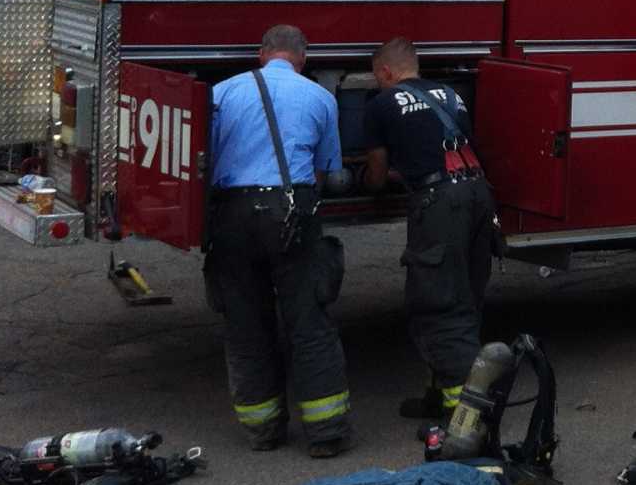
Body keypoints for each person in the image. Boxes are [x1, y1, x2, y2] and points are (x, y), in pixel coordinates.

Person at [204, 24, 353, 457]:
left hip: (231, 215)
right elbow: (326, 172)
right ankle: (326, 435)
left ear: (261, 53)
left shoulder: (222, 93)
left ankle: (263, 431)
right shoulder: (321, 98)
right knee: (310, 322)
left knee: (245, 325)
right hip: (292, 211)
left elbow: (203, 160)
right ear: (302, 58)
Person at [362, 37, 495, 420]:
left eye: (377, 77)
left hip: (439, 204)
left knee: (439, 305)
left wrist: (371, 182)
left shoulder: (381, 104)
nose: (378, 83)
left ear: (386, 71)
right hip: (477, 194)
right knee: (465, 297)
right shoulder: (451, 95)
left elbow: (376, 171)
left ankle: (465, 420)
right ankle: (438, 397)